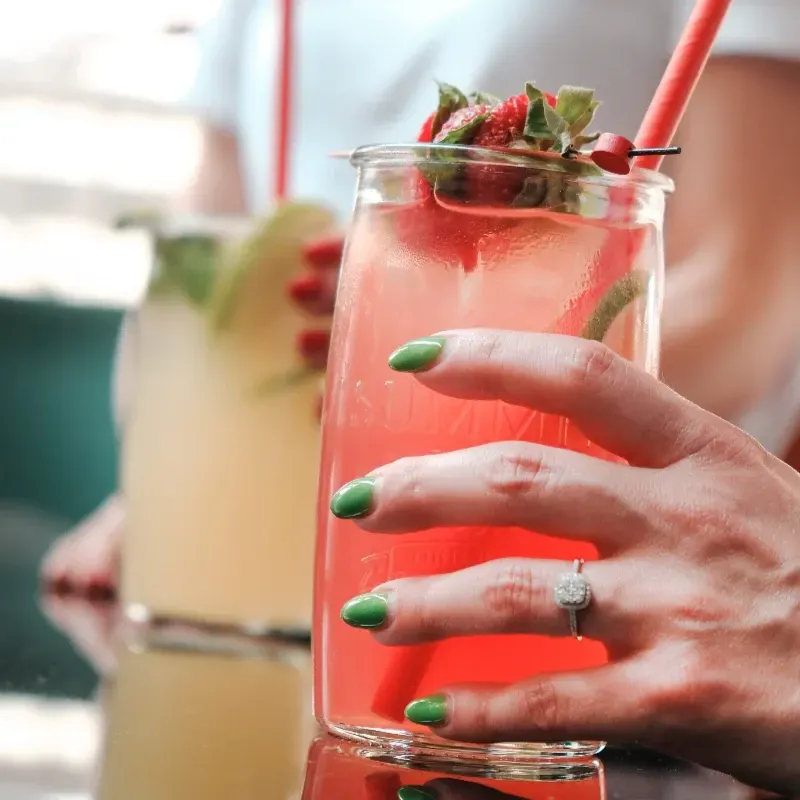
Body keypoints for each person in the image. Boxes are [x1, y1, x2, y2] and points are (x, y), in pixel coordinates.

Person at [43, 2, 800, 600]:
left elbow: (743, 314)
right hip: (269, 544)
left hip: (565, 567)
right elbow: (216, 256)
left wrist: (460, 380)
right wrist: (159, 487)